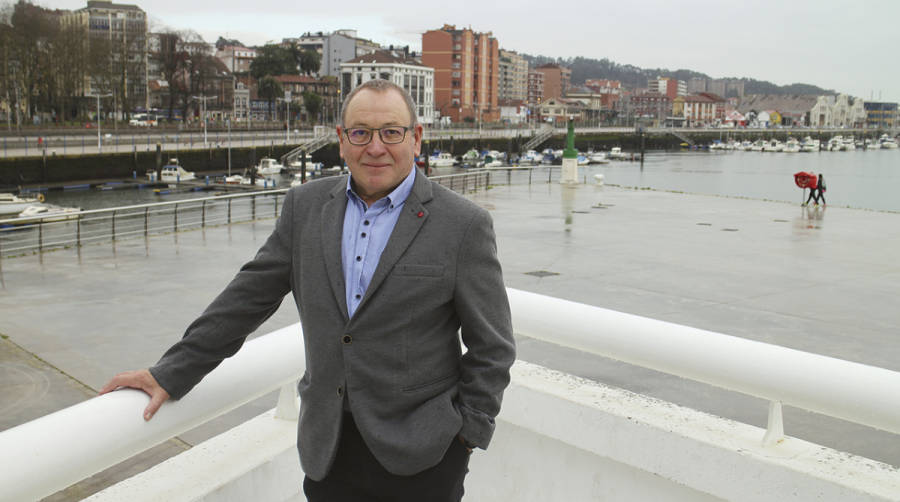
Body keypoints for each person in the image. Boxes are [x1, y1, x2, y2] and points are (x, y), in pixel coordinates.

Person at [99, 79, 516, 502]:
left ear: (416, 138)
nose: (375, 147)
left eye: (391, 132)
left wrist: (466, 435)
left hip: (424, 454)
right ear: (341, 140)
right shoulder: (305, 208)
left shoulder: (463, 225)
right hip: (327, 446)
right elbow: (246, 299)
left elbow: (493, 346)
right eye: (360, 132)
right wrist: (170, 371)